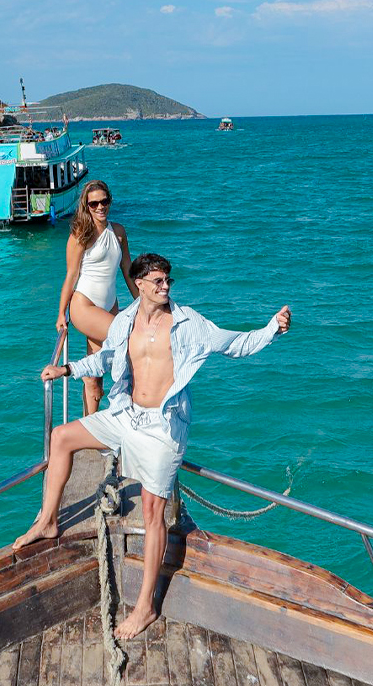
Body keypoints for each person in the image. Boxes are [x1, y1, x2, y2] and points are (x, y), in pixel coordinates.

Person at [18, 253, 292, 640]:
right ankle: (47, 521)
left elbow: (237, 345)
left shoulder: (188, 323)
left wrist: (272, 329)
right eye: (159, 282)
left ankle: (145, 606)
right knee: (61, 437)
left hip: (163, 428)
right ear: (141, 284)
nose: (165, 288)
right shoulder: (125, 322)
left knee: (152, 510)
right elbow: (107, 359)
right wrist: (68, 369)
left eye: (168, 282)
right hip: (126, 415)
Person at [56, 180, 136, 415]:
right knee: (130, 342)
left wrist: (143, 302)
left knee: (95, 378)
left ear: (110, 201)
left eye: (104, 201)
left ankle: (91, 428)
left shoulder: (119, 232)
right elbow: (71, 275)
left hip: (110, 306)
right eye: (94, 204)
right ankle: (131, 411)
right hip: (84, 306)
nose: (100, 207)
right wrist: (61, 313)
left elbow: (127, 268)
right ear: (86, 206)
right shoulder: (80, 235)